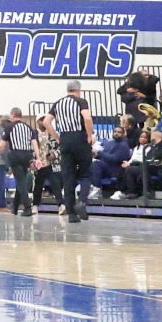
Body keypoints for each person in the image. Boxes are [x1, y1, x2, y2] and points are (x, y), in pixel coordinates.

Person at [49, 82, 96, 222]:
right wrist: (89, 135)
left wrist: (57, 137)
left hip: (65, 139)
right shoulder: (81, 101)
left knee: (68, 177)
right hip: (79, 138)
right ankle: (81, 202)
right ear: (79, 90)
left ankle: (71, 214)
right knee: (86, 174)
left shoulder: (58, 103)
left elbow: (46, 121)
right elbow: (87, 118)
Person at [3, 109, 38, 216]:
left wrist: (0, 150)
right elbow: (34, 143)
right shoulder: (28, 127)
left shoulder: (9, 127)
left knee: (20, 181)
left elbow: (2, 144)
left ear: (13, 115)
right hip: (27, 155)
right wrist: (38, 157)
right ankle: (15, 206)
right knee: (21, 178)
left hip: (15, 155)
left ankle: (28, 207)